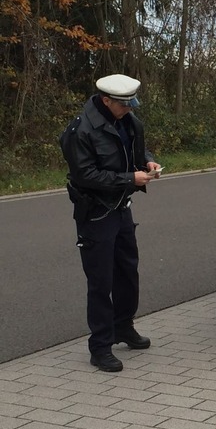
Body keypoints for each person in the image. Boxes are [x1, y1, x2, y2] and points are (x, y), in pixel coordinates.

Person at [59, 74, 161, 372]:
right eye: (124, 104)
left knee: (128, 272)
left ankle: (123, 326)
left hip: (122, 209)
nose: (130, 108)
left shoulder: (127, 120)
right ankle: (100, 346)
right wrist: (130, 178)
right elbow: (85, 175)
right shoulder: (81, 130)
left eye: (132, 103)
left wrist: (148, 162)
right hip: (96, 214)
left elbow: (135, 151)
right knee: (101, 281)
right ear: (106, 101)